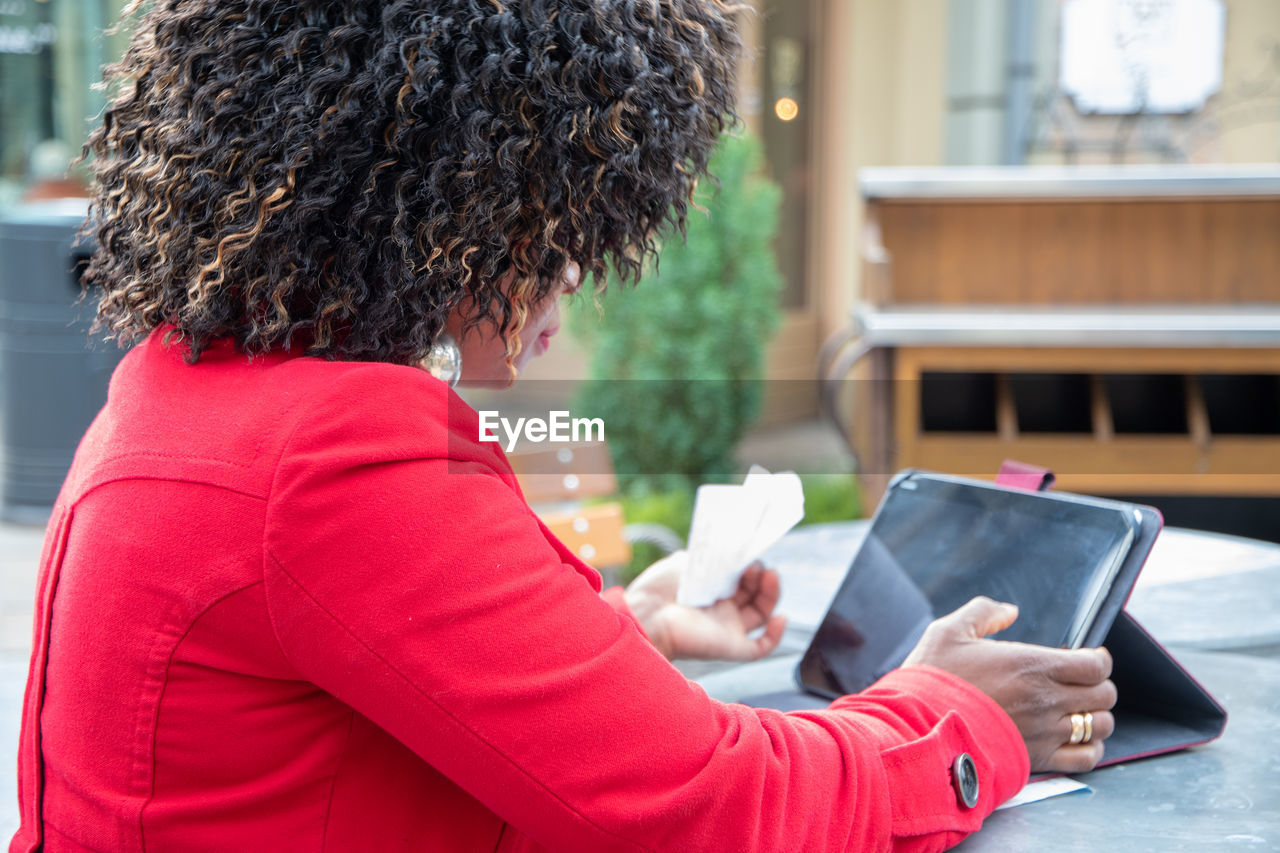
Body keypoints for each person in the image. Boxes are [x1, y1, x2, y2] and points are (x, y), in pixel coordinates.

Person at [11, 2, 1116, 851]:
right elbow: (715, 806)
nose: (564, 295)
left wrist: (624, 629)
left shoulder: (193, 384)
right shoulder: (333, 451)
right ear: (460, 212)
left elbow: (364, 674)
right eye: (560, 239)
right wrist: (957, 717)